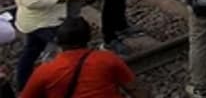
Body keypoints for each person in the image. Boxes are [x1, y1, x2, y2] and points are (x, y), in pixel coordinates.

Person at [18, 17, 148, 98]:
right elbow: (135, 89)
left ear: (58, 41)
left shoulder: (44, 71)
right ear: (88, 38)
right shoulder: (108, 59)